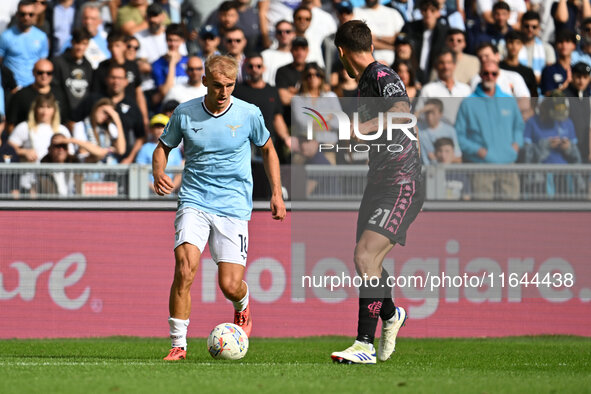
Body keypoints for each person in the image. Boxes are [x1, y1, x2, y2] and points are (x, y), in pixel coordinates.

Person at [153, 55, 286, 361]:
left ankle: (242, 305)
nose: (224, 91)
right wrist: (159, 172)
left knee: (229, 285)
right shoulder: (185, 113)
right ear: (204, 82)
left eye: (229, 85)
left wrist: (276, 193)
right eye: (217, 85)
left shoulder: (249, 113)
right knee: (185, 267)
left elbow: (268, 149)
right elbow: (163, 147)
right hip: (194, 199)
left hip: (233, 205)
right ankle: (178, 344)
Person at [330, 20, 423, 365]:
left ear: (341, 52)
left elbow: (402, 112)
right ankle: (392, 315)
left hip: (402, 181)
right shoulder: (367, 82)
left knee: (366, 257)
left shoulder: (381, 76)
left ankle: (364, 344)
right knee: (367, 260)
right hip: (380, 181)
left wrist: (361, 128)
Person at [456, 61, 524, 200]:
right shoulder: (468, 103)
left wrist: (516, 145)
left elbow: (519, 127)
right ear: (480, 75)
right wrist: (477, 150)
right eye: (486, 73)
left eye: (494, 73)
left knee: (512, 210)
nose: (489, 76)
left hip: (507, 164)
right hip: (481, 166)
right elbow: (459, 135)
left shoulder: (509, 100)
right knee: (483, 213)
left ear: (498, 75)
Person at [0, 0, 49, 89]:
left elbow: (42, 64)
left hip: (33, 87)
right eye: (23, 14)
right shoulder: (6, 36)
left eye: (30, 14)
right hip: (11, 88)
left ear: (35, 15)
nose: (26, 17)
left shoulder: (42, 37)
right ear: (17, 14)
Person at [51, 28, 94, 128]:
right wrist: (66, 119)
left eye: (84, 44)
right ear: (72, 42)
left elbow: (89, 94)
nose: (80, 47)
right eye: (77, 43)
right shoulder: (58, 62)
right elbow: (56, 93)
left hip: (83, 120)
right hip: (63, 120)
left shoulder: (88, 66)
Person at [136, 113, 182, 194]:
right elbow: (139, 172)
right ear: (151, 130)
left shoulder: (175, 149)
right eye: (156, 126)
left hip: (170, 195)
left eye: (162, 126)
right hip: (149, 195)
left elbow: (179, 173)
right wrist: (155, 187)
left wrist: (171, 188)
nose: (159, 129)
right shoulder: (145, 148)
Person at [71, 97, 126, 163]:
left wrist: (117, 121)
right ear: (97, 108)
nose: (106, 116)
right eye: (105, 112)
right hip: (88, 168)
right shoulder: (80, 126)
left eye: (109, 115)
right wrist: (110, 150)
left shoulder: (110, 128)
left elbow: (121, 150)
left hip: (107, 170)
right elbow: (83, 151)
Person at [353, 0, 404, 66]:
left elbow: (399, 38)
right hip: (368, 65)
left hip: (394, 66)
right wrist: (392, 47)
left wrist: (377, 37)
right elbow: (363, 42)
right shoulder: (356, 12)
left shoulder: (393, 13)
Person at [416, 98, 462, 164]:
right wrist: (421, 110)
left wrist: (439, 157)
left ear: (440, 114)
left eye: (433, 113)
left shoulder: (450, 131)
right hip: (423, 172)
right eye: (427, 113)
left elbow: (458, 158)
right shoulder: (418, 128)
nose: (429, 116)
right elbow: (408, 122)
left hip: (443, 172)